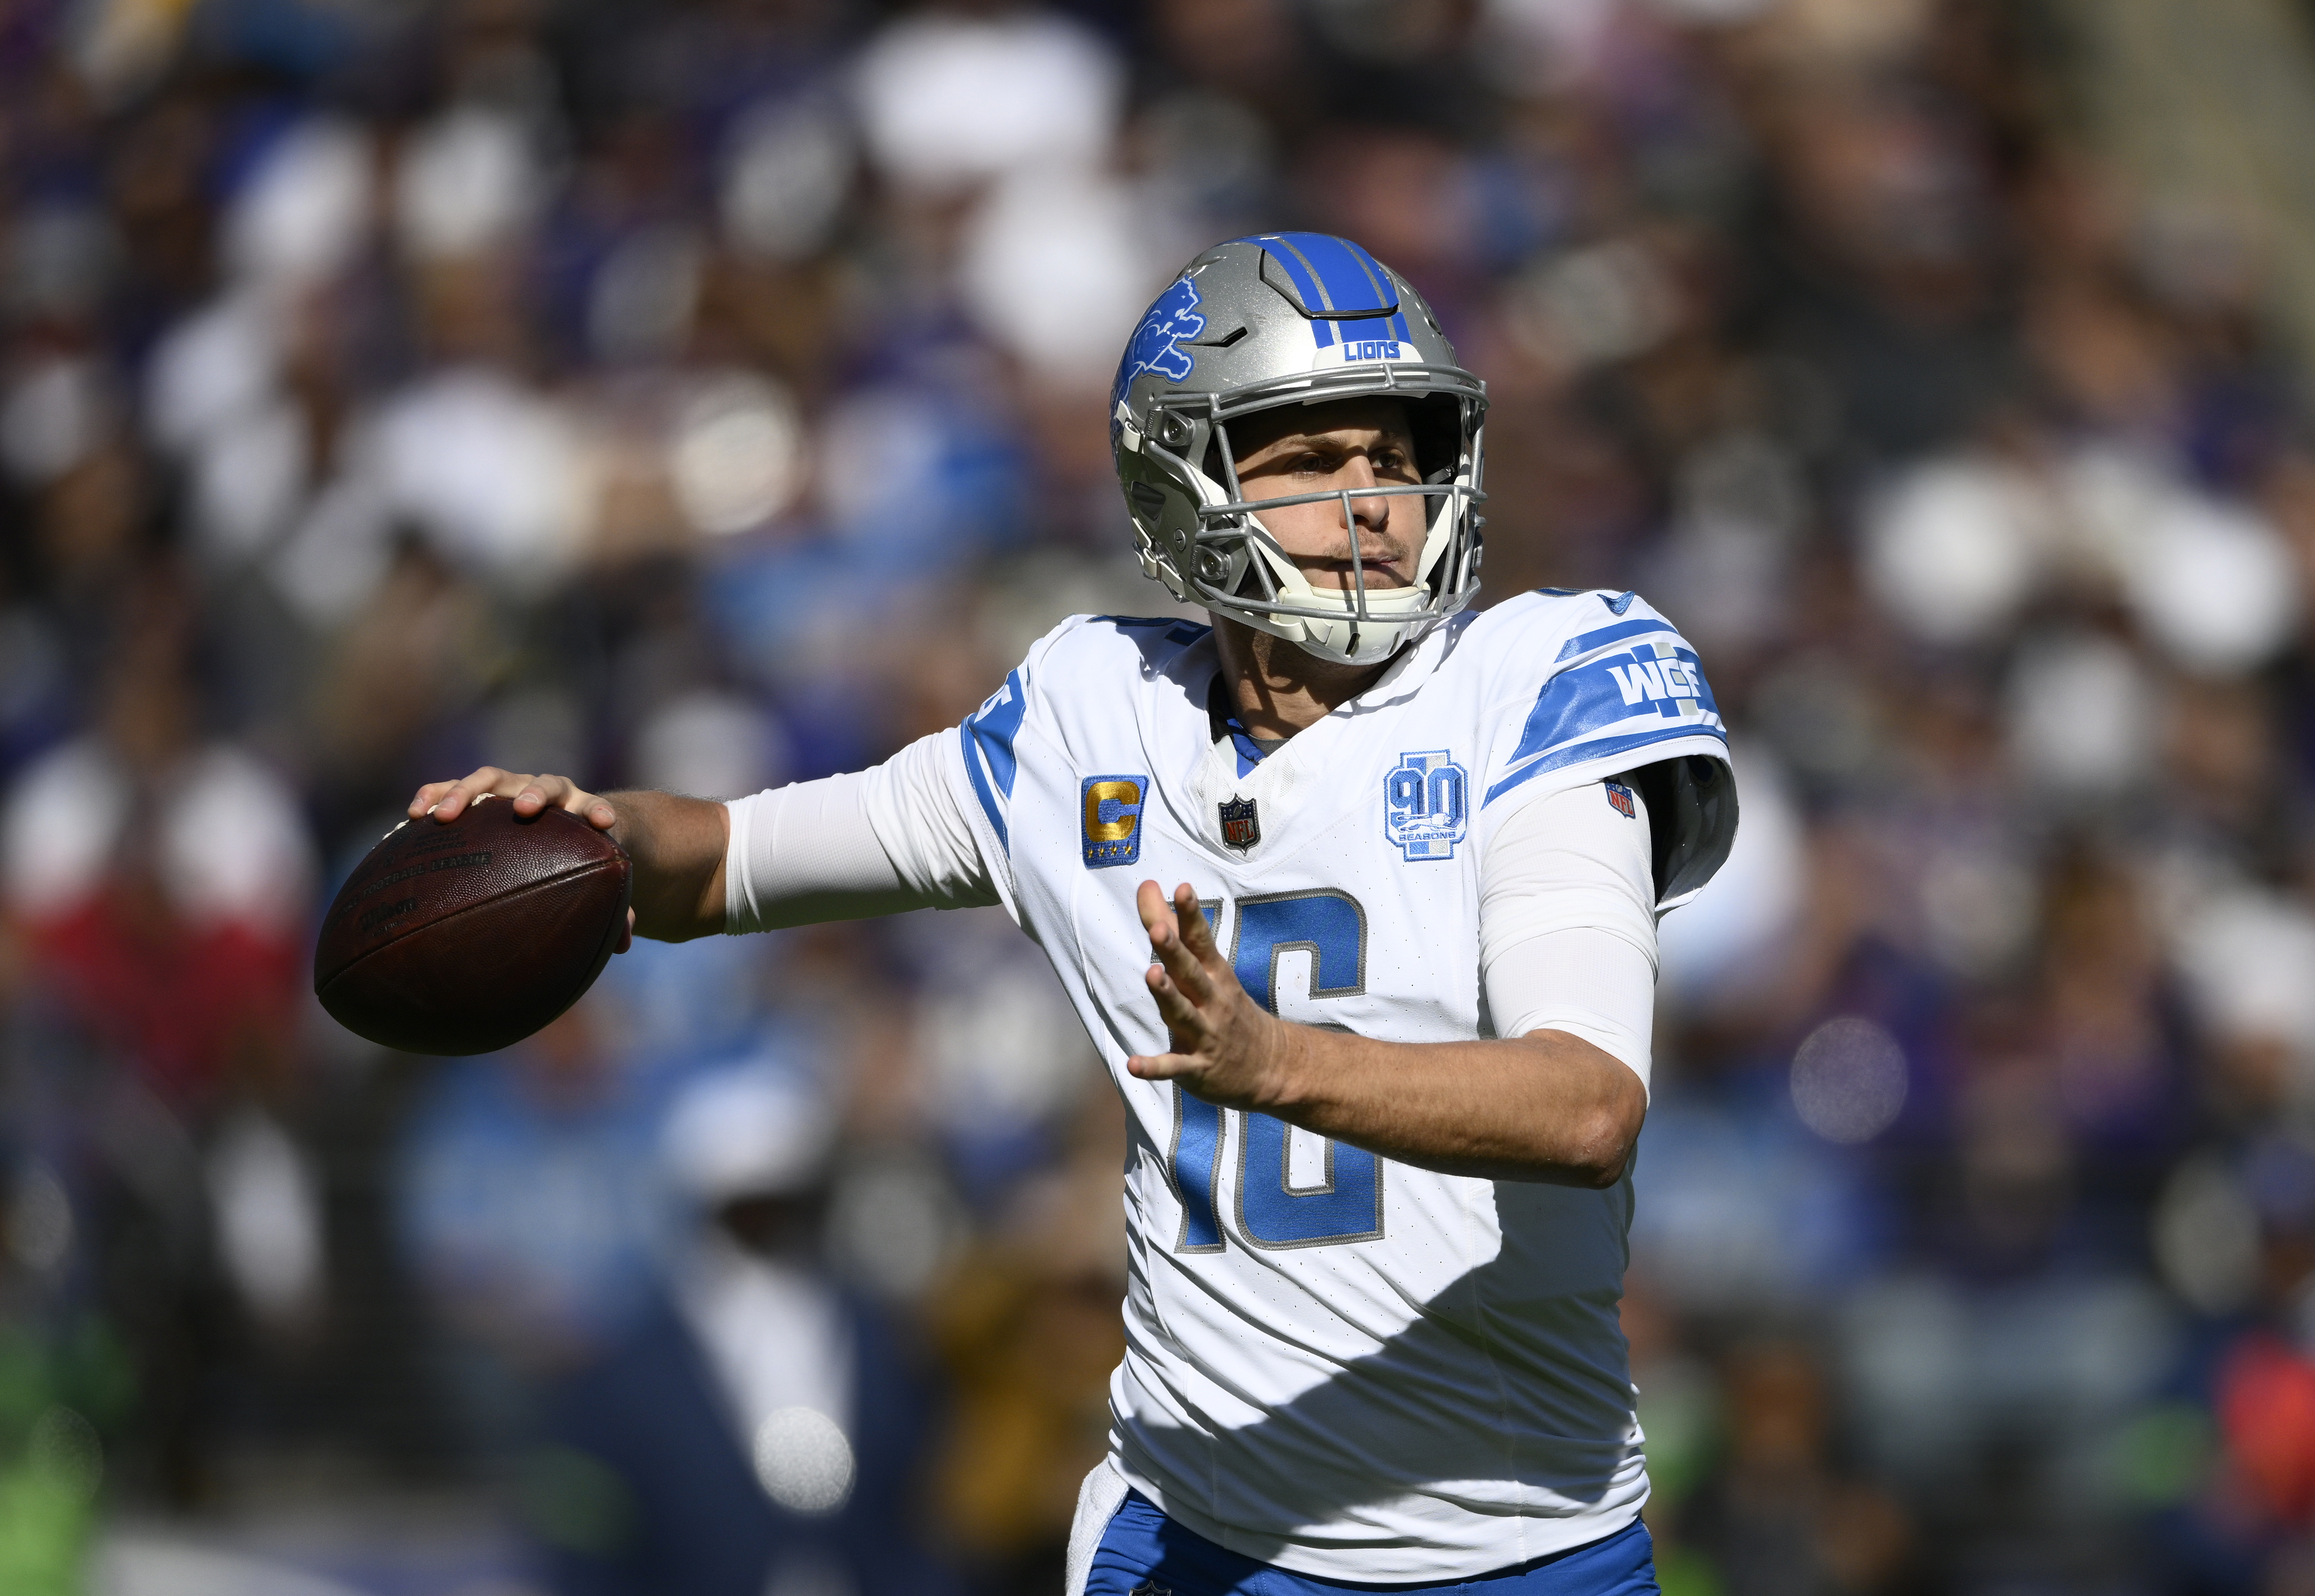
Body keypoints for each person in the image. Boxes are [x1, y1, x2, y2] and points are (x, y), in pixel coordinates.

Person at [410, 233, 1738, 1595]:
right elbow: (735, 860)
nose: (1371, 502)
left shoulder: (1540, 680)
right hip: (1191, 1539)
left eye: (1390, 454)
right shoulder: (1089, 713)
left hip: (1517, 1546)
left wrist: (1275, 1063)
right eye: (1305, 458)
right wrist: (586, 833)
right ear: (1183, 481)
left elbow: (1586, 1107)